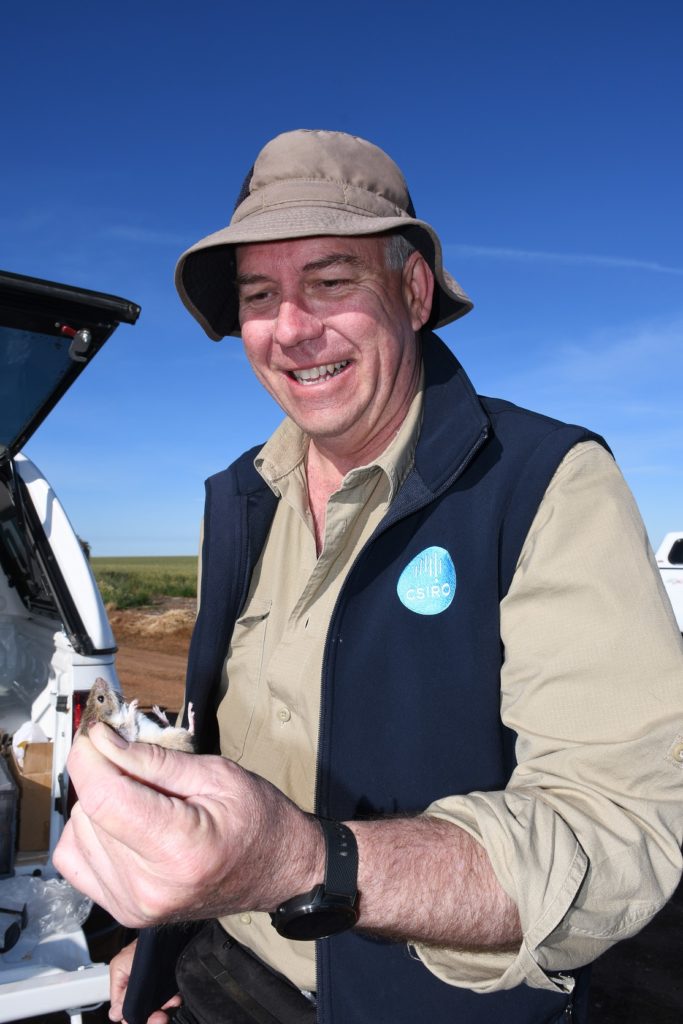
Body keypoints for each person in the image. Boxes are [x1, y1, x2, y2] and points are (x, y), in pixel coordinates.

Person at [55, 130, 683, 1024]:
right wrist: (138, 939)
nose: (292, 327)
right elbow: (226, 742)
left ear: (413, 291)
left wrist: (316, 865)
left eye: (331, 281)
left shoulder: (546, 481)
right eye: (260, 296)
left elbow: (618, 826)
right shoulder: (240, 498)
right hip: (227, 974)